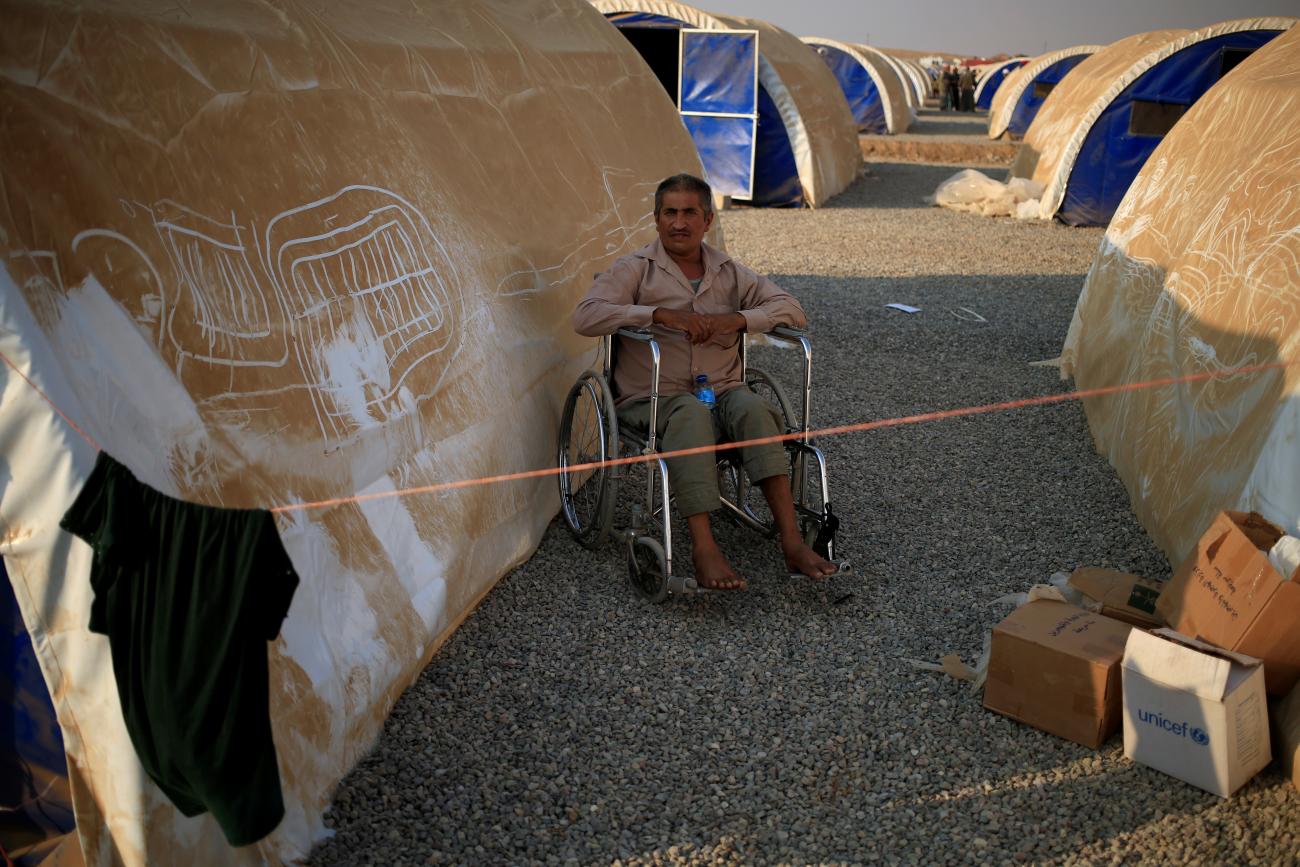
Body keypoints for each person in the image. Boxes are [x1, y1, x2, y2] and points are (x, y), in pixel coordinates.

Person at [573, 173, 838, 591]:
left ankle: (791, 539)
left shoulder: (729, 272)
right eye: (670, 213)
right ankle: (703, 547)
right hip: (654, 398)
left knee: (753, 409)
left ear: (708, 220)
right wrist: (657, 315)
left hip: (724, 390)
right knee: (692, 414)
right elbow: (586, 316)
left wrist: (737, 320)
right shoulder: (636, 271)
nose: (679, 222)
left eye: (689, 213)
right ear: (656, 219)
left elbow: (791, 308)